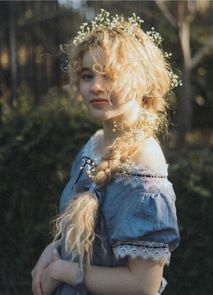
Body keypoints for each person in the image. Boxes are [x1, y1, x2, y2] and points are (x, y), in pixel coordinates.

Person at [31, 9, 181, 295]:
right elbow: (84, 233)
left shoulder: (144, 170)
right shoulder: (95, 144)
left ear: (143, 82)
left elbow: (143, 285)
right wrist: (52, 252)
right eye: (88, 75)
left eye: (111, 75)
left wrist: (65, 271)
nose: (96, 87)